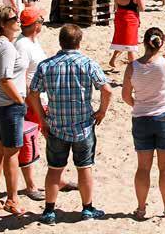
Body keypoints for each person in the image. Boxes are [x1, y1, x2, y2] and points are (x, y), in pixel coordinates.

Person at [28, 24, 113, 225]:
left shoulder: (46, 65)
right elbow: (107, 90)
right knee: (84, 168)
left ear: (60, 41)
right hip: (82, 126)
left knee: (54, 169)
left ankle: (49, 210)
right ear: (79, 41)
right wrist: (101, 111)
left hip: (56, 126)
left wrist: (42, 118)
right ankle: (87, 208)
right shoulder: (88, 63)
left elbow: (33, 94)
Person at [122, 28, 165, 219]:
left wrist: (139, 105)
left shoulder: (132, 67)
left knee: (143, 167)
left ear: (144, 43)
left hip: (142, 118)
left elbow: (125, 96)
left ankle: (141, 208)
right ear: (159, 43)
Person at [15, 7, 75, 200]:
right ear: (35, 25)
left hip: (41, 99)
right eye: (40, 19)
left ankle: (60, 178)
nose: (42, 21)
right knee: (30, 141)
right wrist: (28, 101)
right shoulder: (22, 45)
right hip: (33, 101)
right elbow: (21, 76)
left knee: (53, 140)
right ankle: (31, 185)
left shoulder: (32, 41)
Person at [0, 5, 28, 215]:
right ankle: (12, 199)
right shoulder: (7, 47)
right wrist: (20, 101)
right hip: (6, 106)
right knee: (12, 153)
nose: (17, 20)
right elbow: (5, 79)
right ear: (3, 24)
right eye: (13, 18)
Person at [109, 0, 145, 69]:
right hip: (130, 19)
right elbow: (142, 8)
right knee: (130, 45)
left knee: (122, 41)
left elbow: (116, 6)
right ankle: (134, 68)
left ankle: (112, 59)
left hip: (119, 17)